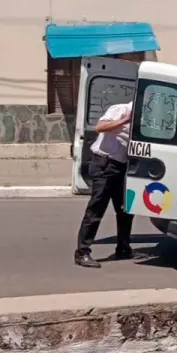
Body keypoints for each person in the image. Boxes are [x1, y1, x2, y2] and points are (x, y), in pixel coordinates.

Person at [74, 101, 136, 268]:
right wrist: (124, 121)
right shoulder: (120, 109)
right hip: (105, 164)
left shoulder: (142, 120)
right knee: (96, 209)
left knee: (125, 210)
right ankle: (82, 252)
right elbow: (100, 127)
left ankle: (123, 247)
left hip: (122, 167)